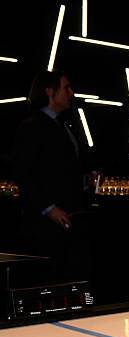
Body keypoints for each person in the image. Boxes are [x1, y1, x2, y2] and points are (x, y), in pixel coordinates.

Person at [10, 70, 94, 282]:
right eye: (66, 88)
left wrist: (85, 179)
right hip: (45, 225)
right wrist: (48, 208)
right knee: (50, 281)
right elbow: (23, 174)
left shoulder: (64, 125)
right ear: (49, 91)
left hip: (70, 218)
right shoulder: (32, 126)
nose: (72, 93)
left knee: (72, 279)